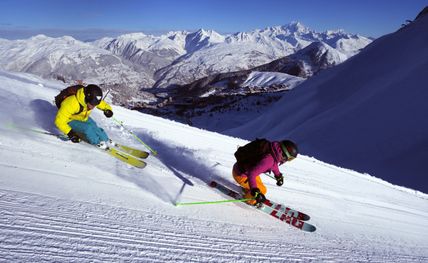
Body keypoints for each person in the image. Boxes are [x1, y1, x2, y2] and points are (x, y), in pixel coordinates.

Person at [232, 139, 298, 206]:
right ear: (284, 154)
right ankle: (249, 200)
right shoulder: (268, 160)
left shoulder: (273, 151)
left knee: (260, 185)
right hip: (241, 175)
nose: (287, 160)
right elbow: (252, 174)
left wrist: (278, 175)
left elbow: (274, 165)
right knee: (263, 190)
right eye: (289, 158)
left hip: (242, 169)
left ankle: (249, 191)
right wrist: (255, 191)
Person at [54, 84, 114, 149]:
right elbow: (59, 121)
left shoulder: (92, 100)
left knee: (94, 126)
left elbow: (101, 103)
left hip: (82, 117)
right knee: (88, 128)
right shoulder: (71, 103)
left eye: (95, 104)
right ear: (86, 98)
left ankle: (106, 139)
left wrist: (107, 109)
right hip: (69, 120)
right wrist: (70, 133)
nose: (93, 107)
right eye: (92, 104)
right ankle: (98, 143)